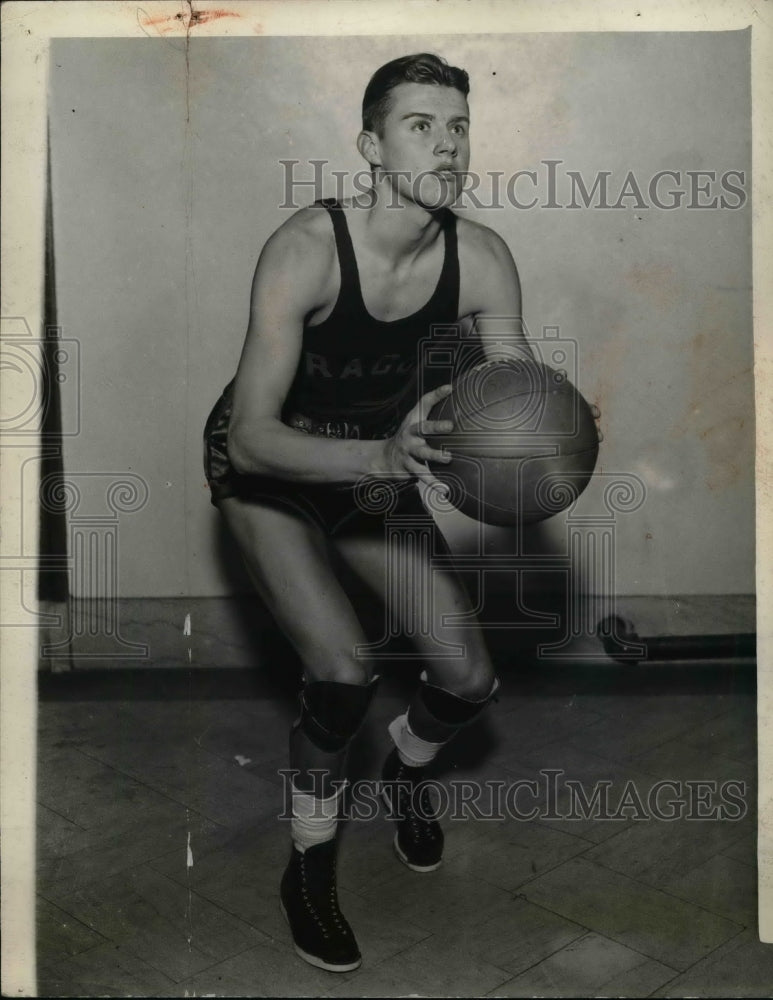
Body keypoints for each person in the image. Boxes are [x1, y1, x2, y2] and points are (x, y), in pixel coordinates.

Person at [203, 52, 532, 973]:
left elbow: (513, 397)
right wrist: (381, 456)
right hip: (269, 469)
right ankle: (308, 863)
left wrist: (554, 426)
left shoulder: (483, 260)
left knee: (469, 680)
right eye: (420, 125)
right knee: (343, 671)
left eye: (457, 126)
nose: (446, 144)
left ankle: (408, 770)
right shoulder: (307, 247)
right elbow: (252, 438)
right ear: (371, 146)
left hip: (371, 470)